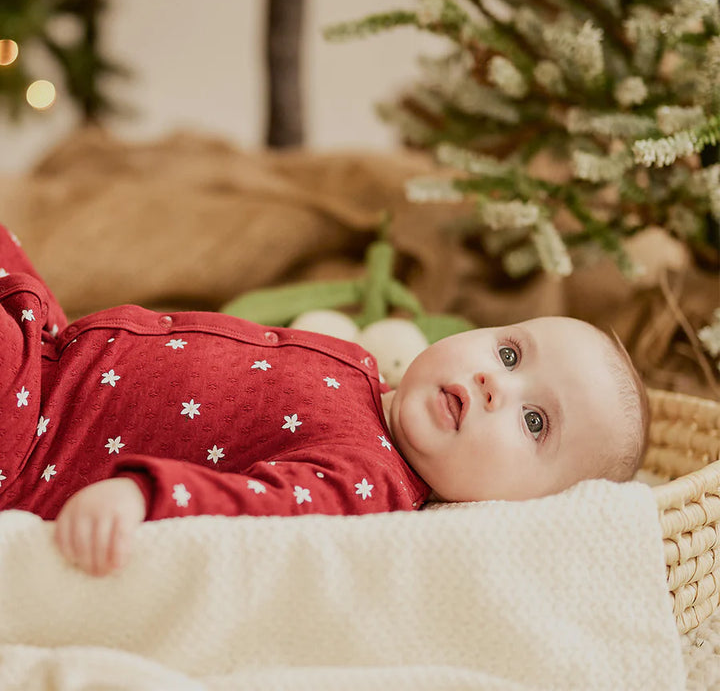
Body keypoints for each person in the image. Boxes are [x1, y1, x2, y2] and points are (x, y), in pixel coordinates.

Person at [0, 223, 649, 576]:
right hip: (55, 343)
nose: (493, 383)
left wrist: (145, 495)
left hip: (31, 434)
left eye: (534, 422)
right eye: (509, 354)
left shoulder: (368, 481)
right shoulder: (369, 376)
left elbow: (255, 512)